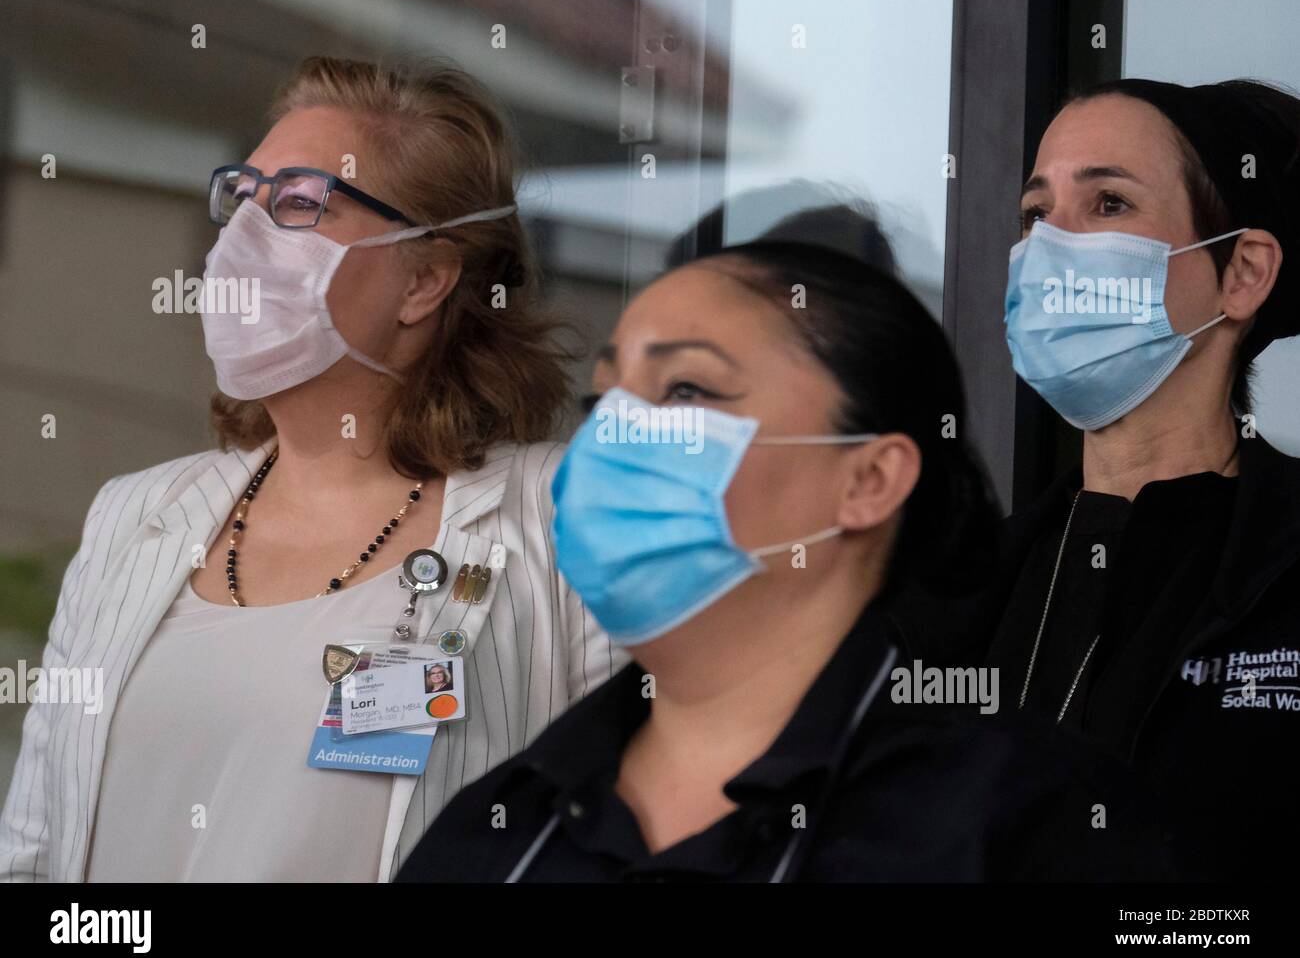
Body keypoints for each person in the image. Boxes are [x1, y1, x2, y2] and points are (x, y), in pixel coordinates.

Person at [397, 207, 1173, 882]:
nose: (613, 437)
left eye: (687, 391)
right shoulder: (498, 822)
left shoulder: (1033, 817)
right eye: (604, 399)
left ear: (868, 478)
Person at [0, 56, 620, 883]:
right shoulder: (137, 513)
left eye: (297, 202)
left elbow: (607, 836)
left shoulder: (557, 521)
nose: (242, 238)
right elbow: (34, 846)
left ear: (426, 279)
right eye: (241, 195)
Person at [924, 78, 1298, 881]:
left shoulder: (1284, 565)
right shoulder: (951, 593)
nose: (1050, 245)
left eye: (1109, 206)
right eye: (1036, 212)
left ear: (1242, 272)